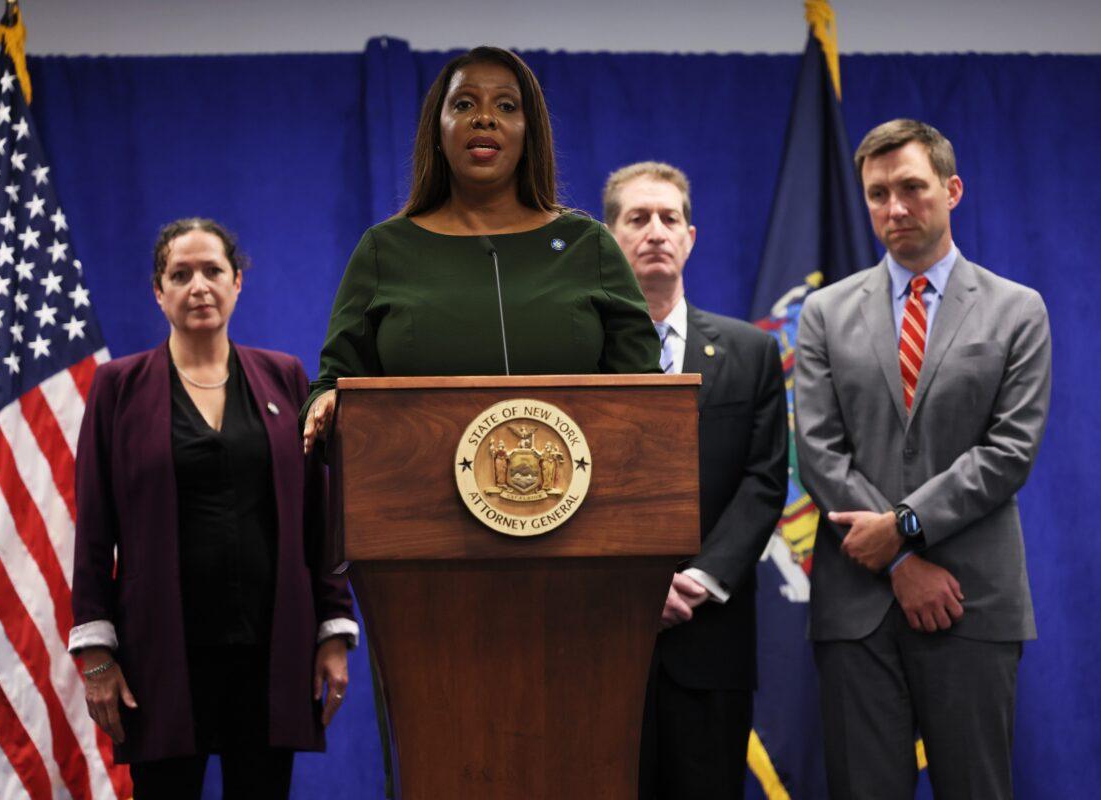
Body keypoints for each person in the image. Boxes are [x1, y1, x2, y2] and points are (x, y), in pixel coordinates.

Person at [794, 120, 1051, 799]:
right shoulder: (822, 312)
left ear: (952, 189)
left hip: (973, 602)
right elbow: (818, 450)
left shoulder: (1016, 310)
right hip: (859, 608)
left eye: (911, 187)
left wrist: (904, 527)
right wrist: (902, 560)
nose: (895, 208)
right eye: (878, 194)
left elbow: (1010, 450)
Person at [69, 219, 359, 798]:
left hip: (272, 650)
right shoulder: (117, 388)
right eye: (181, 274)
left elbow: (318, 518)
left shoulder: (284, 377)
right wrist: (97, 655)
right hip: (161, 657)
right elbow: (95, 527)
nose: (198, 286)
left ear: (237, 282)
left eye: (212, 271)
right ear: (158, 291)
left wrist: (332, 630)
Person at [300, 46, 660, 450]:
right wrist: (327, 403)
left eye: (506, 106)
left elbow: (649, 396)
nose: (484, 117)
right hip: (417, 500)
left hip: (577, 500)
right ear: (438, 130)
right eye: (464, 103)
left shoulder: (587, 245)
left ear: (530, 132)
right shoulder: (385, 249)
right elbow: (333, 384)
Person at [604, 162, 789, 799]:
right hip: (601, 641)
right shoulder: (574, 357)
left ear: (691, 236)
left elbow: (765, 481)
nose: (656, 231)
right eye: (637, 218)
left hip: (710, 642)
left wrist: (698, 581)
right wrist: (634, 586)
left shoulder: (750, 352)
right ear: (610, 237)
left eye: (669, 218)